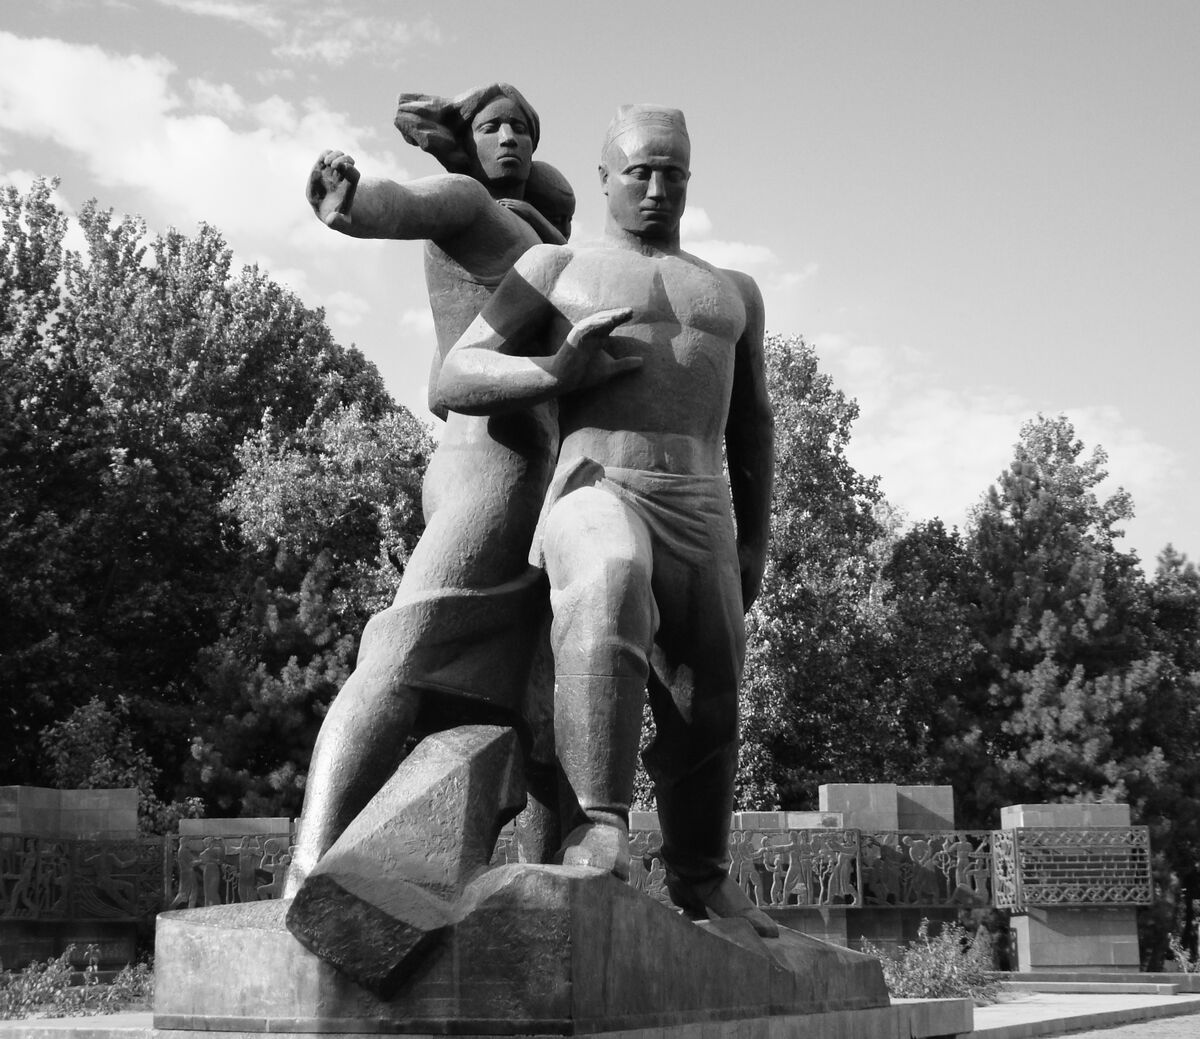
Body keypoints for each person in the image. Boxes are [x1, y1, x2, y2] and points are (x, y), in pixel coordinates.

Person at [436, 105, 777, 936]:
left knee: (711, 695)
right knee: (610, 576)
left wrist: (755, 537)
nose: (657, 189)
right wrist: (555, 371)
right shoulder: (554, 267)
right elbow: (456, 374)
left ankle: (702, 876)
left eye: (673, 174)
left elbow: (754, 422)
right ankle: (598, 823)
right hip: (595, 484)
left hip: (700, 502)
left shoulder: (733, 291)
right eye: (639, 172)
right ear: (603, 179)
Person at [285, 83, 571, 896]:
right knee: (403, 649)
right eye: (493, 126)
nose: (510, 138)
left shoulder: (542, 230)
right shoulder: (471, 205)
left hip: (543, 481)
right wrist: (351, 201)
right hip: (491, 463)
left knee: (547, 714)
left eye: (523, 128)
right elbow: (406, 205)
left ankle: (552, 893)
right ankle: (310, 867)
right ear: (465, 141)